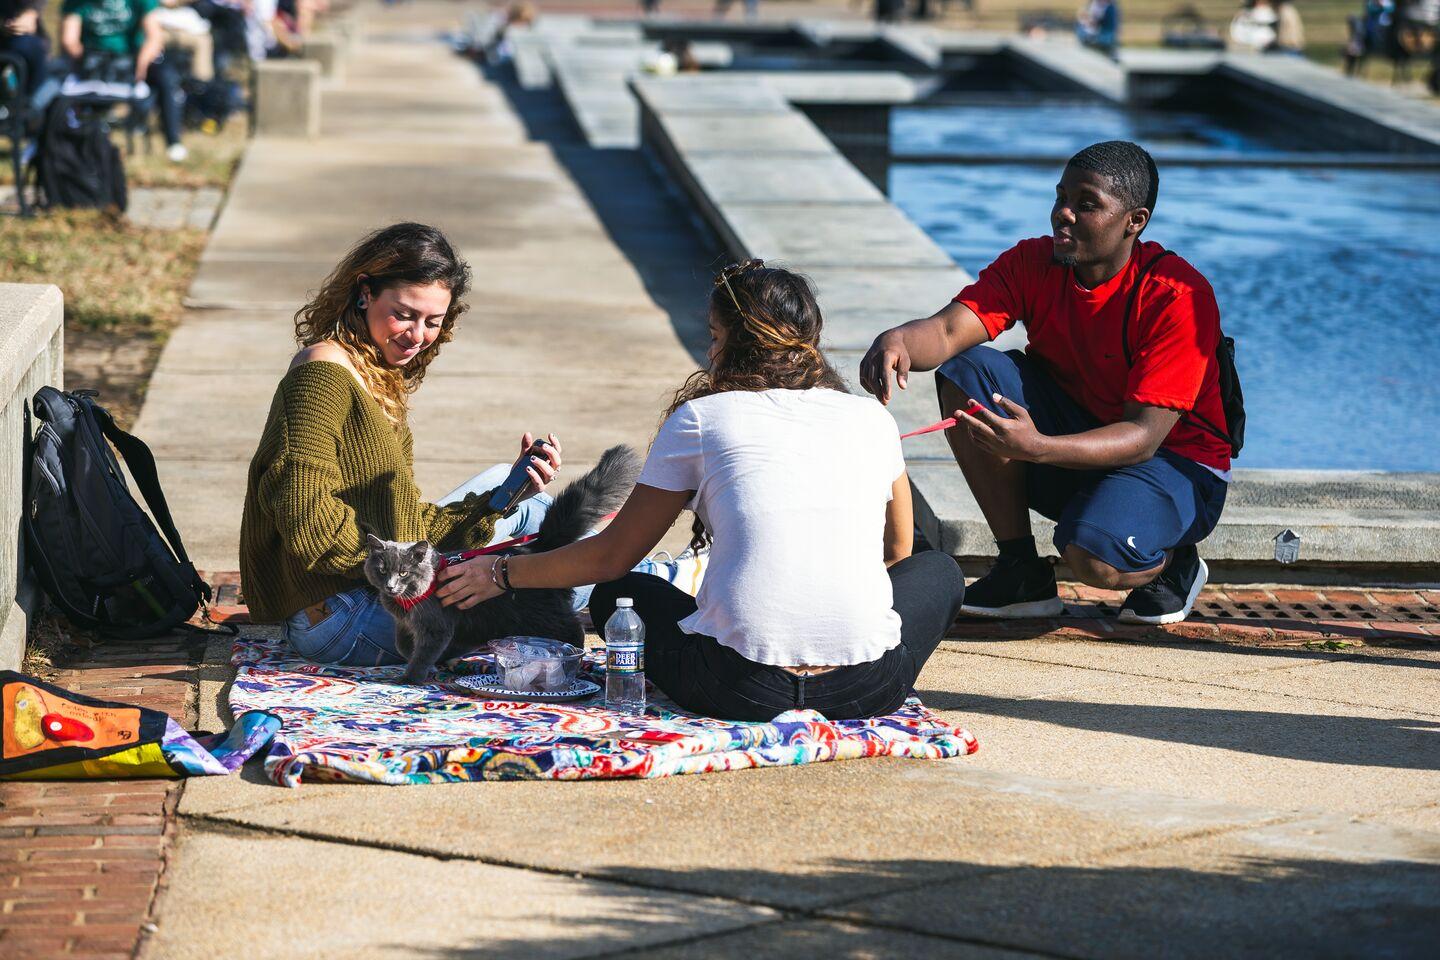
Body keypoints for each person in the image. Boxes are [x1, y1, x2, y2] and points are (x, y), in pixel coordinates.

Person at [436, 261, 967, 722]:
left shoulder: (702, 417)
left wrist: (501, 573)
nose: (709, 352)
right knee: (940, 571)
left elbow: (611, 557)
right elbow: (897, 553)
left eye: (715, 336)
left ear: (738, 342)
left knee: (622, 596)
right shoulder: (870, 417)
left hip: (736, 688)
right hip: (864, 690)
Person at [859, 141, 1230, 626]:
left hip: (1176, 465)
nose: (1063, 214)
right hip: (1077, 435)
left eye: (1086, 204)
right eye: (1060, 198)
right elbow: (949, 331)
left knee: (1093, 558)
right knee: (968, 373)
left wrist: (1036, 447)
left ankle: (1174, 562)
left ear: (1134, 221)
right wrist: (899, 340)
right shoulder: (1034, 262)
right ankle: (1021, 570)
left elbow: (1142, 437)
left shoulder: (1176, 296)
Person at [239, 223, 567, 667]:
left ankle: (629, 565)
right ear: (364, 293)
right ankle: (653, 577)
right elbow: (306, 520)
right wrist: (421, 572)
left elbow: (407, 522)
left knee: (535, 506)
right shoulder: (321, 376)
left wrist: (509, 494)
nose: (418, 335)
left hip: (374, 585)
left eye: (433, 321)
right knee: (567, 572)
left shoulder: (371, 373)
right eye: (405, 314)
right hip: (343, 616)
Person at [59, 0, 188, 160]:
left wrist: (141, 64)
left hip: (132, 60)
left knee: (166, 77)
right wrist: (88, 64)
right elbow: (69, 40)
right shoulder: (78, 4)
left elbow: (154, 37)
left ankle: (173, 140)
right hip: (93, 61)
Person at [1, 0, 48, 99]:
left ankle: (27, 103)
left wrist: (31, 13)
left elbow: (30, 17)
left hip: (25, 47)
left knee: (24, 44)